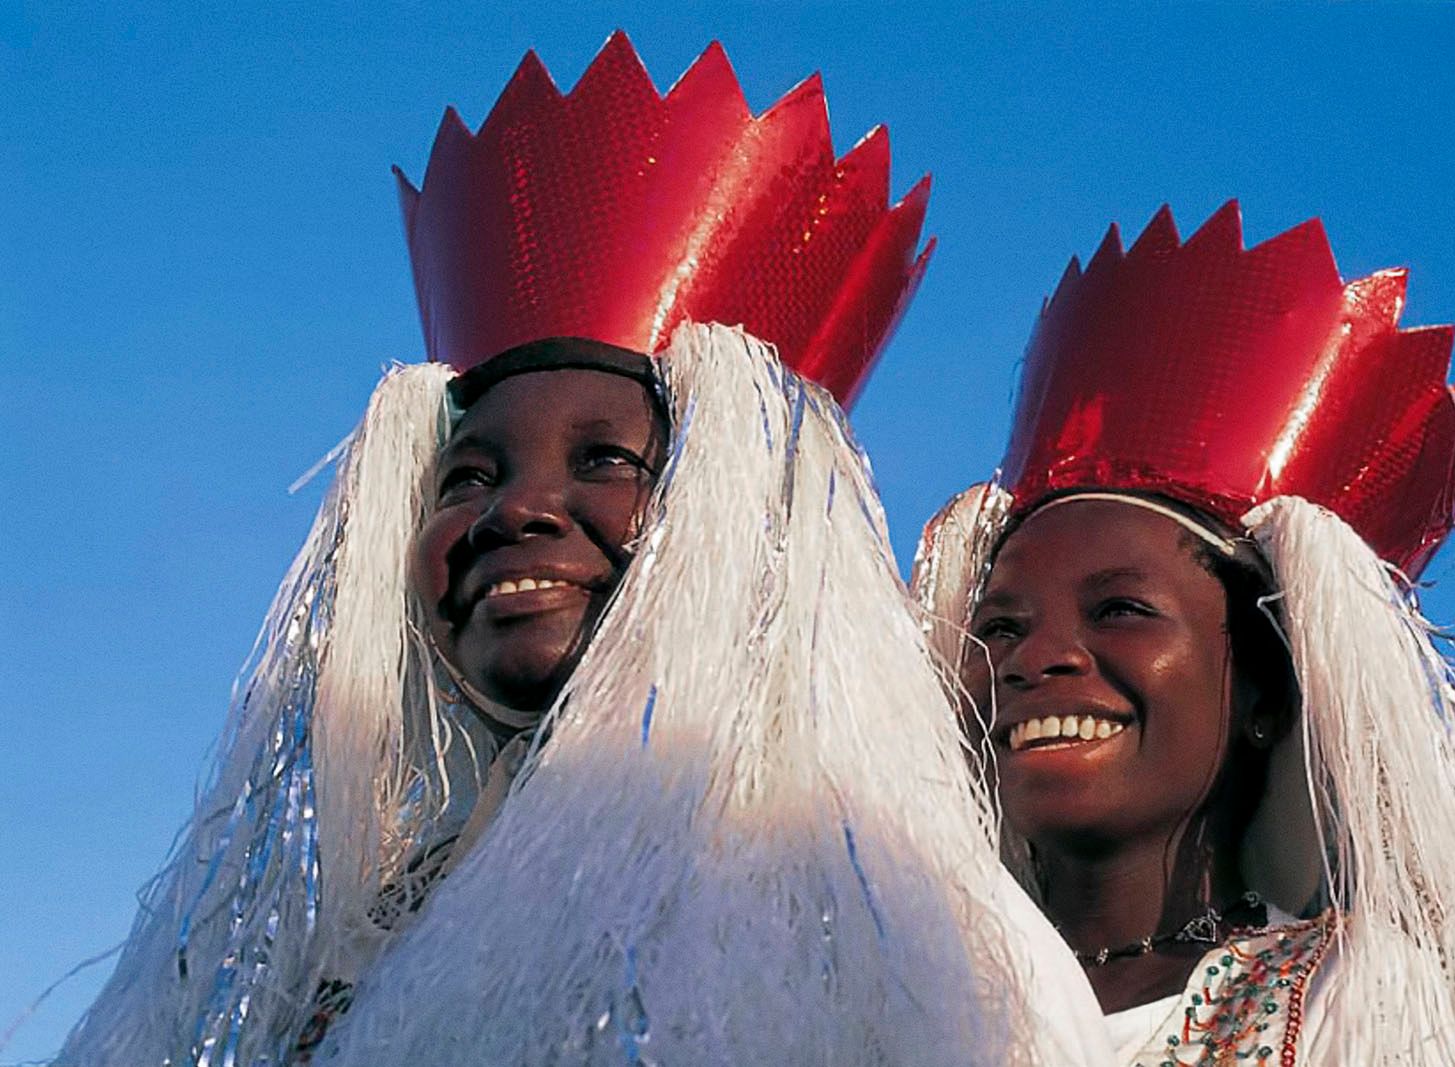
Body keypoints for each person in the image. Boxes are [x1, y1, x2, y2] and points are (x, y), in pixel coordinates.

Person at [55, 35, 1108, 1067]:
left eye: (605, 459)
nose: (515, 510)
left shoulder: (937, 956)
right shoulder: (351, 944)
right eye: (467, 477)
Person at [914, 201, 1455, 1065]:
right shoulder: (894, 991)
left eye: (1119, 609)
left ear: (1265, 695)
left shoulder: (1359, 995)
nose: (1034, 658)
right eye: (1000, 625)